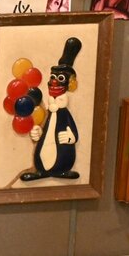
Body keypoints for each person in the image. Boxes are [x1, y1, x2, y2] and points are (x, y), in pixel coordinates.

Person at [21, 37, 82, 182]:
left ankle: (62, 170)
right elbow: (47, 128)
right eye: (52, 77)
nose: (54, 81)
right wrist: (39, 132)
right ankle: (41, 170)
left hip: (63, 156)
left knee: (61, 152)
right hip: (45, 154)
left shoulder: (64, 113)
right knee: (43, 147)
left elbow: (73, 132)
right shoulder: (50, 111)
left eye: (60, 78)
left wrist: (71, 137)